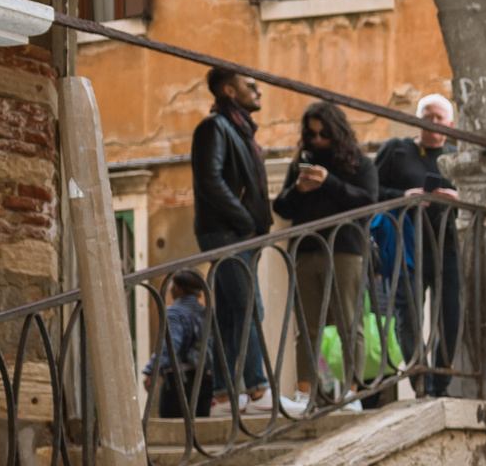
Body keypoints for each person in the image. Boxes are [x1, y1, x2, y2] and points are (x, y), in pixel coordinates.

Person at [274, 100, 380, 413]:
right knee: (306, 327)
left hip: (345, 251)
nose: (318, 140)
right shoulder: (300, 164)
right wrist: (299, 189)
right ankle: (305, 395)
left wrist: (329, 182)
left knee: (350, 323)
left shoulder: (360, 164)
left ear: (337, 132)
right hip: (305, 251)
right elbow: (281, 207)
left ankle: (350, 392)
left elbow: (368, 203)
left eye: (324, 134)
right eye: (312, 134)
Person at [189, 67, 276, 412]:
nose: (259, 91)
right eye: (249, 85)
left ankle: (225, 396)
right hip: (229, 232)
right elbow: (210, 179)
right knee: (249, 307)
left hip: (235, 232)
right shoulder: (215, 127)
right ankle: (256, 390)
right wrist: (245, 221)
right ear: (228, 90)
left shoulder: (239, 131)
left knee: (228, 311)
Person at [374, 94, 463, 391]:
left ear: (450, 124)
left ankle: (441, 380)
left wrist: (457, 200)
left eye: (439, 118)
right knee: (408, 313)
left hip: (447, 246)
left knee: (452, 314)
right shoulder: (396, 150)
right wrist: (404, 198)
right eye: (427, 116)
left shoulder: (459, 157)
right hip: (407, 245)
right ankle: (419, 379)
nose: (433, 123)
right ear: (415, 119)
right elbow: (371, 192)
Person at [143, 268, 212, 419]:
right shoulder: (206, 313)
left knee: (175, 431)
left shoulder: (175, 313)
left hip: (180, 383)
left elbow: (169, 346)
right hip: (206, 381)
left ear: (178, 288)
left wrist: (151, 370)